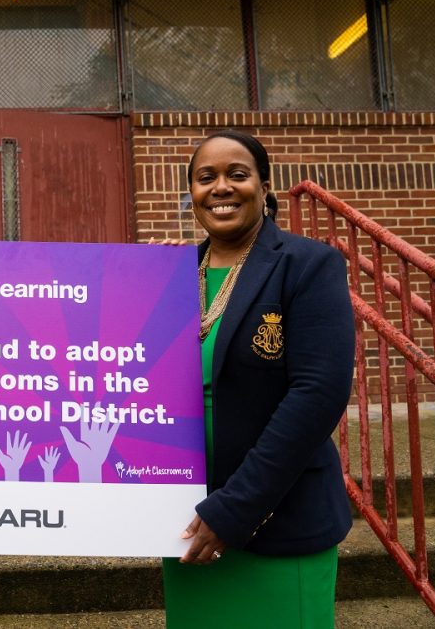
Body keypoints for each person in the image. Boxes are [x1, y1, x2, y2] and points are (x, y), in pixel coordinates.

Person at [162, 129, 355, 627]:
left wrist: (235, 509)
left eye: (237, 174)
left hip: (275, 521)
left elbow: (317, 396)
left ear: (265, 187)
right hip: (184, 524)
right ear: (192, 196)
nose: (220, 187)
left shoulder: (308, 265)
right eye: (206, 178)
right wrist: (142, 281)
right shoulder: (172, 275)